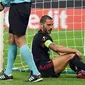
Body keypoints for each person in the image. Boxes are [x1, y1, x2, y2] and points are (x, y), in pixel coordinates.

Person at [0, 0, 43, 82]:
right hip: (20, 6)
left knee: (20, 39)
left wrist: (3, 3)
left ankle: (36, 73)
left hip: (19, 7)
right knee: (11, 38)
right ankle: (8, 73)